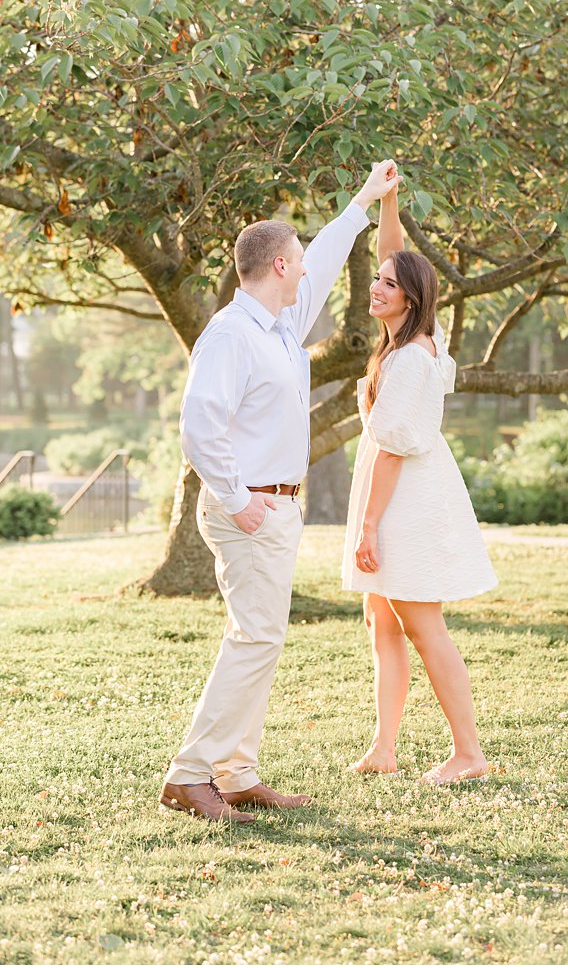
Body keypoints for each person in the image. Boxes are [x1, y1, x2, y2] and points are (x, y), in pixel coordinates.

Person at [160, 159, 400, 822]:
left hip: (277, 506)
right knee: (255, 637)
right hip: (250, 509)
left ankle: (236, 773)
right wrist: (239, 499)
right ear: (277, 270)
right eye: (296, 261)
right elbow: (199, 425)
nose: (306, 270)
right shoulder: (231, 335)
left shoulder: (283, 327)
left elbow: (324, 257)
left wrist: (362, 200)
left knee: (261, 637)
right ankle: (189, 774)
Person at [342, 179, 498, 786]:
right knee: (381, 619)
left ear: (410, 299)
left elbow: (389, 450)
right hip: (399, 486)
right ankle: (384, 746)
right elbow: (399, 253)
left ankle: (468, 753)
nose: (376, 288)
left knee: (420, 622)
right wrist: (388, 201)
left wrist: (369, 526)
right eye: (376, 280)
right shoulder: (412, 338)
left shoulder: (410, 359)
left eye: (388, 284)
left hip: (402, 496)